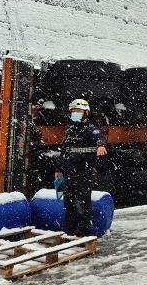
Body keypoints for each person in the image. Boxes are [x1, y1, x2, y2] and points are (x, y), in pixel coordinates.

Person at [55, 99, 107, 237]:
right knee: (69, 202)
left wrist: (101, 145)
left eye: (78, 111)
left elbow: (99, 138)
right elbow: (64, 152)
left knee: (84, 202)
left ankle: (83, 231)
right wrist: (59, 170)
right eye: (73, 111)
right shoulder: (70, 131)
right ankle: (69, 230)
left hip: (84, 172)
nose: (75, 114)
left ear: (86, 113)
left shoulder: (91, 129)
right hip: (69, 173)